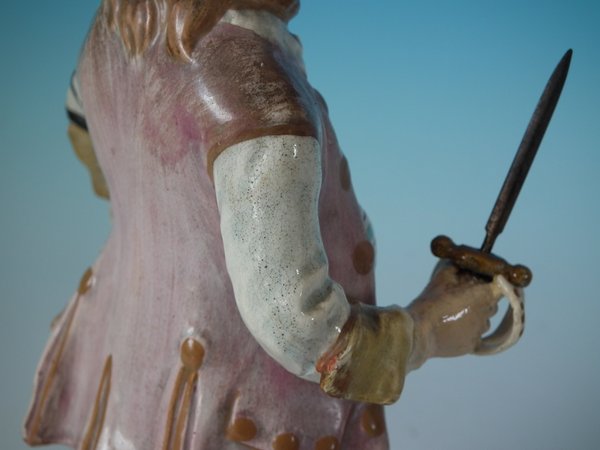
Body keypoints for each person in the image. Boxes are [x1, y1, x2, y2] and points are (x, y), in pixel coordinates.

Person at [24, 1, 524, 449]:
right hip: (234, 408)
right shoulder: (258, 98)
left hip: (134, 362)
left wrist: (164, 226)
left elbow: (84, 131)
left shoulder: (115, 28)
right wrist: (427, 328)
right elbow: (299, 326)